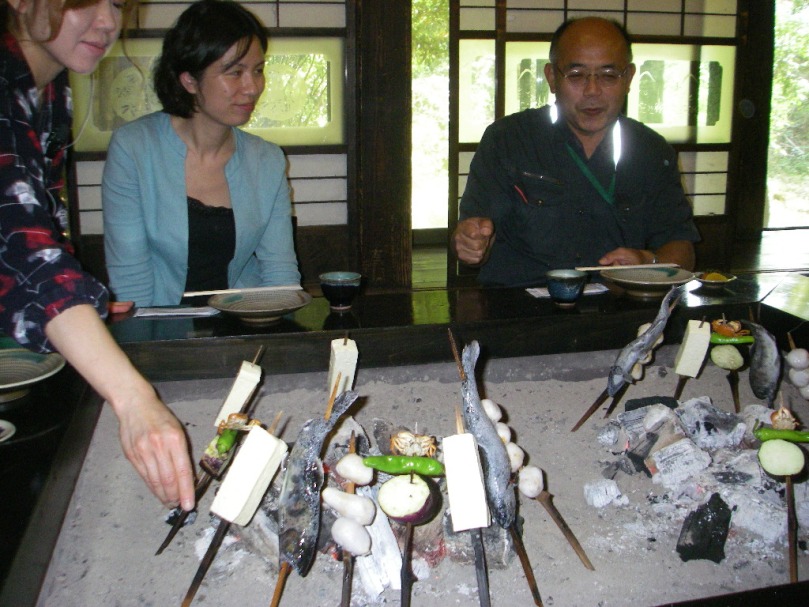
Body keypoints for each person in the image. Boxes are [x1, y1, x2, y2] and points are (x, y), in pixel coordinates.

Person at [0, 0, 194, 510]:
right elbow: (19, 243)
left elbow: (42, 221)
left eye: (118, 3)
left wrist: (84, 302)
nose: (108, 21)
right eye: (85, 0)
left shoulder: (49, 86)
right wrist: (134, 399)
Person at [452, 17, 700, 287]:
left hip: (616, 301)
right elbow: (472, 239)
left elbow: (682, 250)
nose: (592, 91)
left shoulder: (652, 151)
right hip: (519, 302)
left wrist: (647, 261)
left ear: (628, 78)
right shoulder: (508, 139)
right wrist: (470, 244)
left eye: (608, 75)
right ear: (552, 77)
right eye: (576, 75)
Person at [102, 0, 300, 307]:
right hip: (159, 323)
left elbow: (280, 274)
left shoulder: (268, 160)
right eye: (235, 72)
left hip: (243, 321)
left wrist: (275, 329)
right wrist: (145, 337)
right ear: (190, 80)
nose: (252, 87)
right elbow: (130, 279)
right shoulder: (134, 149)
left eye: (258, 70)